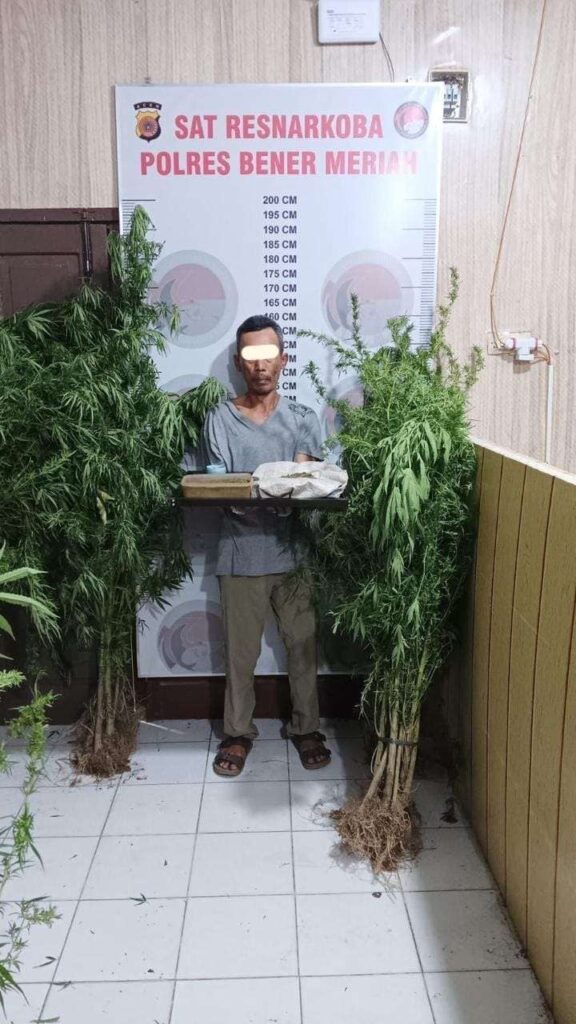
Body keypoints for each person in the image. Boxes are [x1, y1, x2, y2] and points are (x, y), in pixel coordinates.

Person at [202, 314, 331, 777]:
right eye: (250, 356)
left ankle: (306, 727)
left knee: (303, 647)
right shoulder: (219, 418)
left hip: (294, 553)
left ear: (283, 360)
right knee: (240, 655)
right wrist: (271, 492)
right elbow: (222, 488)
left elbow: (302, 484)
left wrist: (266, 492)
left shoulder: (302, 418)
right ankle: (238, 733)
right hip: (239, 553)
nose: (260, 366)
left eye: (268, 355)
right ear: (239, 363)